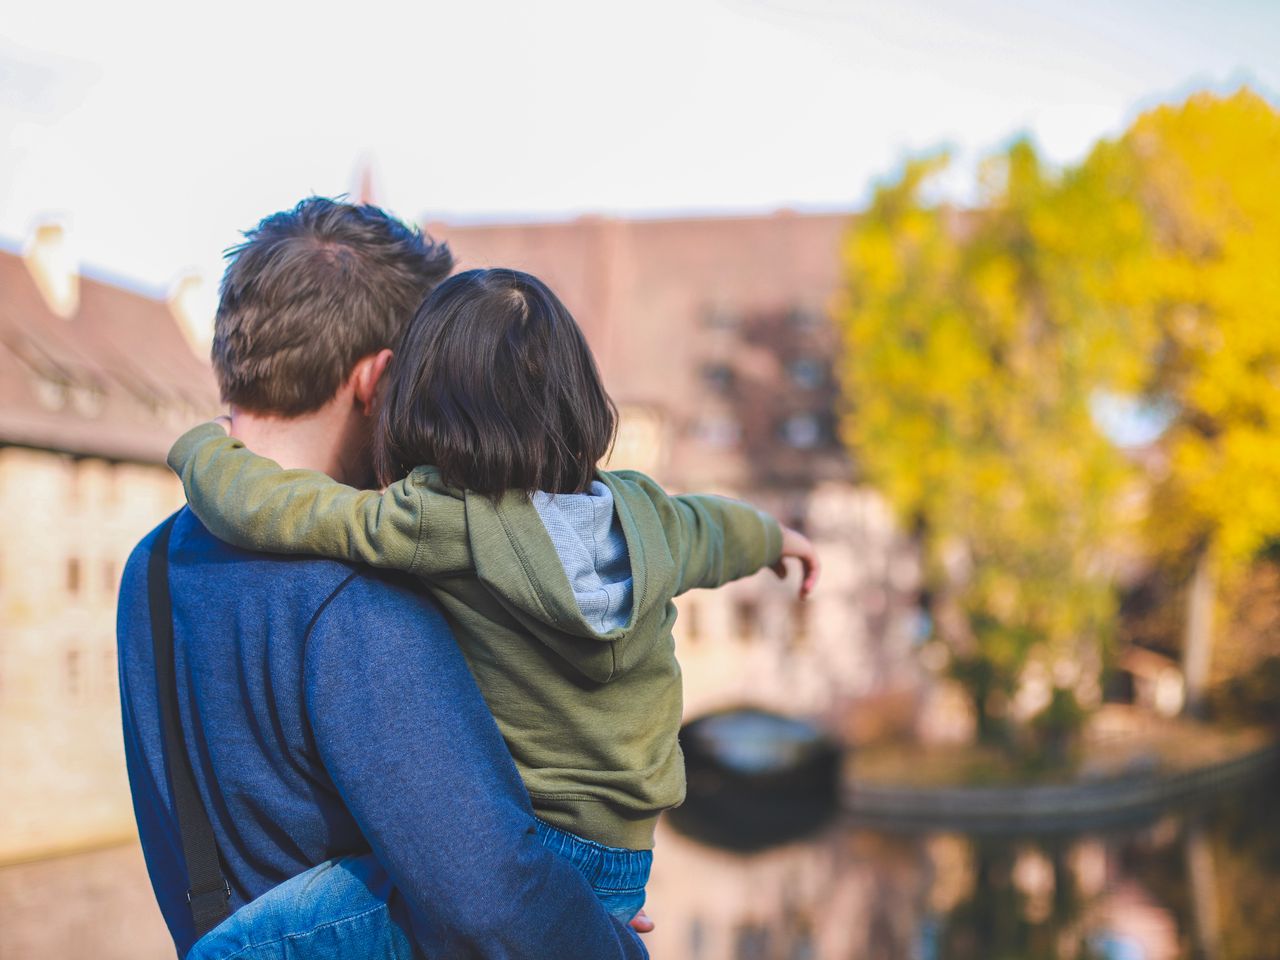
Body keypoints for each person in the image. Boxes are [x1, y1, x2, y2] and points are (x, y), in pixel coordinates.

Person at [166, 267, 821, 924]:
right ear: (580, 400)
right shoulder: (650, 515)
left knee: (248, 942)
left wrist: (205, 449)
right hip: (627, 859)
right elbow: (717, 528)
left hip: (526, 858)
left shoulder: (440, 520)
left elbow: (290, 510)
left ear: (416, 405)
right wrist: (777, 539)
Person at [118, 199, 650, 959]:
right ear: (379, 380)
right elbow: (494, 892)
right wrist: (604, 940)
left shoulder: (154, 564)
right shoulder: (358, 590)